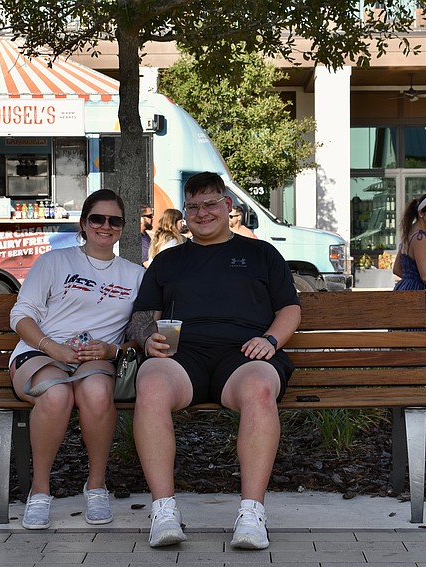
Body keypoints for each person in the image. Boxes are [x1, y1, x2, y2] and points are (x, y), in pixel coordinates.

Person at [129, 172, 301, 550]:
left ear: (228, 206)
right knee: (152, 383)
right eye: (193, 206)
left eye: (210, 204)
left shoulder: (261, 254)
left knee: (259, 389)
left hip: (244, 355)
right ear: (184, 214)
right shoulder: (168, 261)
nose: (202, 212)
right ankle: (163, 511)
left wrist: (270, 339)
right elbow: (142, 315)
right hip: (182, 356)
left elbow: (290, 308)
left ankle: (252, 514)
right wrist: (147, 338)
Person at [8, 189, 144, 530]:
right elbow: (21, 315)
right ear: (84, 224)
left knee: (97, 393)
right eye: (97, 218)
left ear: (123, 228)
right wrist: (53, 348)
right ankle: (40, 491)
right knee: (56, 395)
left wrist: (111, 351)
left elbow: (141, 333)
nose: (105, 226)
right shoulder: (55, 262)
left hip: (95, 359)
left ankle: (96, 486)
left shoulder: (135, 275)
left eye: (114, 220)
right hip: (40, 354)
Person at [393, 193, 426, 292]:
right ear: (421, 213)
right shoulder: (420, 237)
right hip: (418, 293)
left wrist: (410, 280)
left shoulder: (409, 232)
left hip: (403, 288)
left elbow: (396, 269)